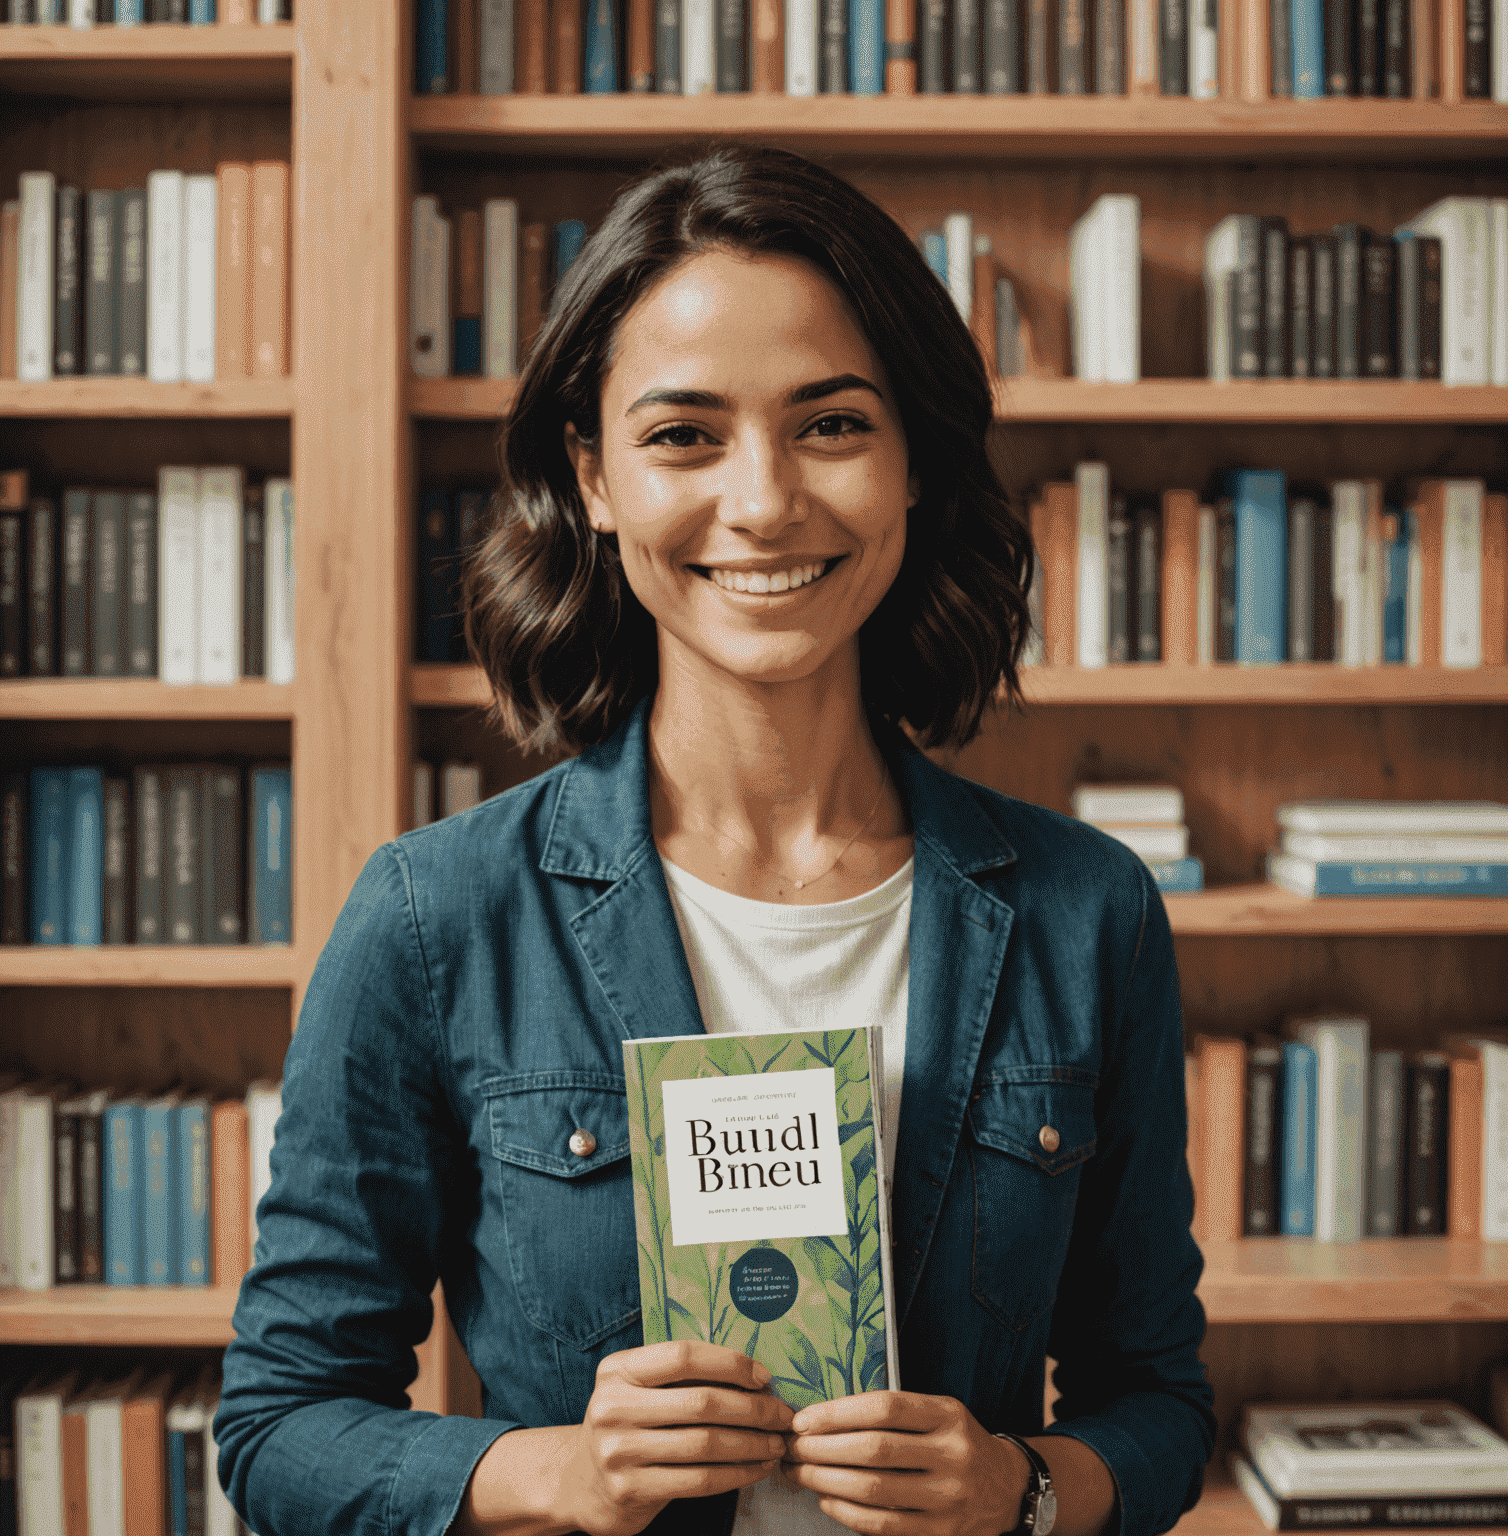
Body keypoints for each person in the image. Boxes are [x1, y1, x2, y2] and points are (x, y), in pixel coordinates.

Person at [214, 145, 1214, 1536]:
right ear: (595, 477)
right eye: (685, 434)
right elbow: (276, 1430)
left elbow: (1158, 1401)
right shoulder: (436, 919)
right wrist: (553, 1470)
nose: (763, 502)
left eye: (832, 426)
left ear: (913, 460)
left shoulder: (1083, 910)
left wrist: (1026, 1488)